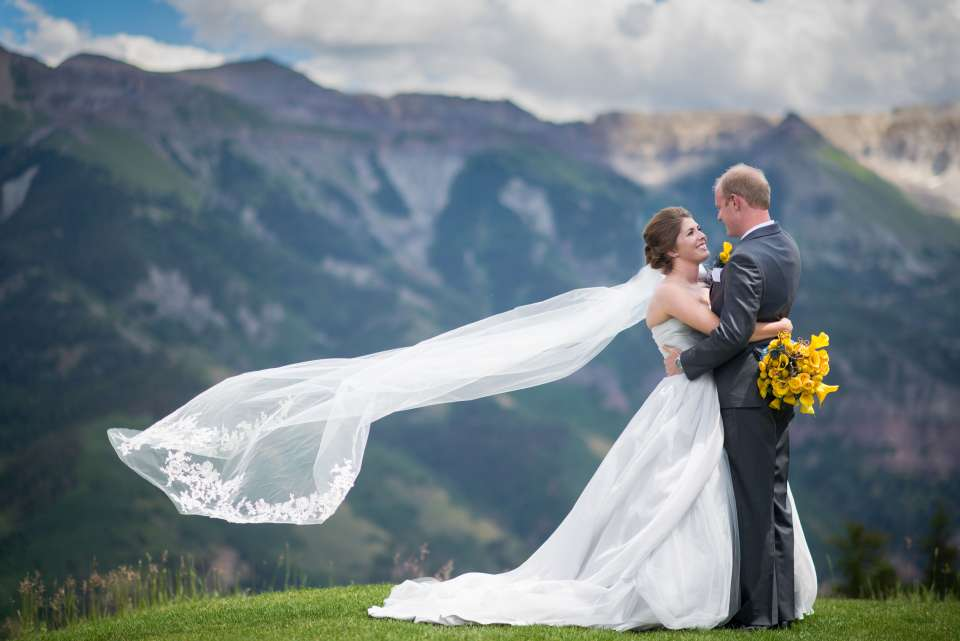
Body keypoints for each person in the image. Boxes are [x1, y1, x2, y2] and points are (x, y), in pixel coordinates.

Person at [365, 205, 816, 630]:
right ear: (671, 250)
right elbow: (727, 333)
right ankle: (679, 590)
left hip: (711, 397)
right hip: (686, 401)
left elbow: (728, 320)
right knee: (675, 492)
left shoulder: (708, 283)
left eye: (700, 226)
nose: (702, 233)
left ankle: (735, 588)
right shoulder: (670, 293)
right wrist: (780, 327)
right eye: (691, 231)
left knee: (715, 490)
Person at [663, 164, 802, 628]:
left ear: (737, 202)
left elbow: (732, 334)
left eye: (721, 207)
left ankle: (760, 611)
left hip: (746, 392)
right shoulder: (786, 246)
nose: (718, 217)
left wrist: (685, 363)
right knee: (773, 495)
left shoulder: (745, 258)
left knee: (752, 501)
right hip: (780, 387)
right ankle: (781, 606)